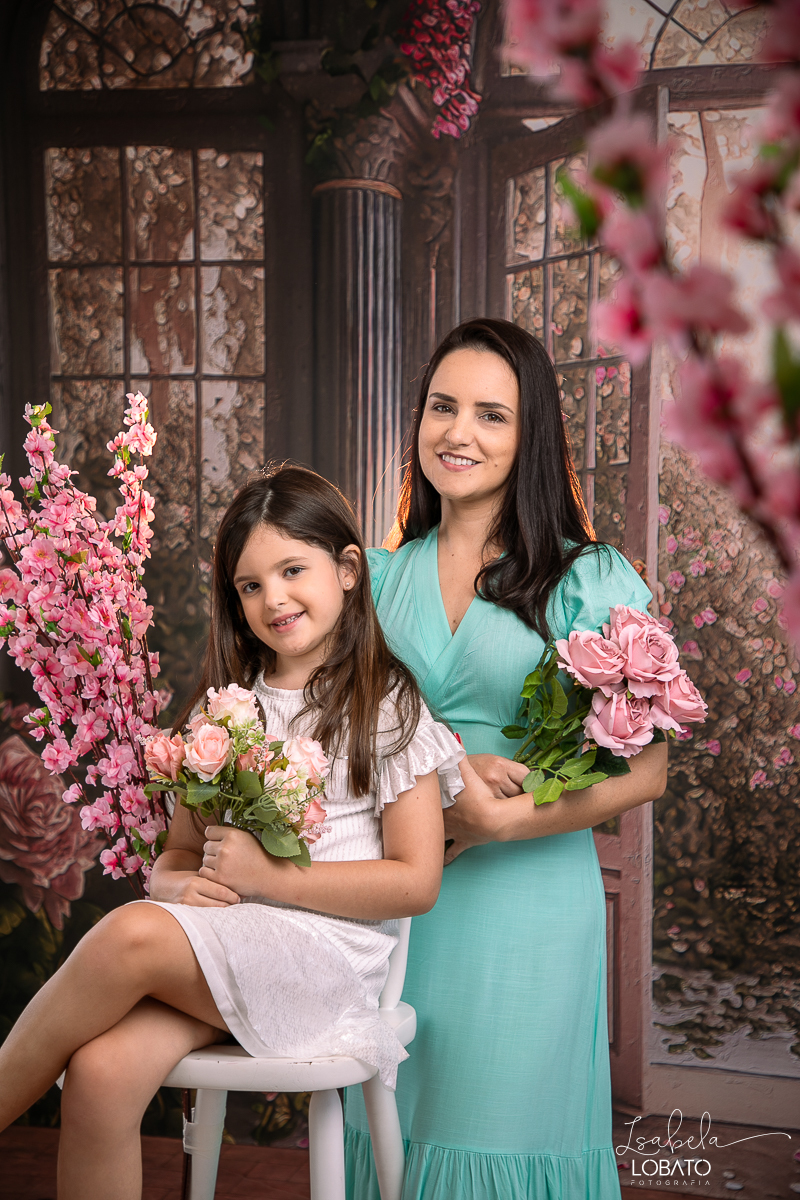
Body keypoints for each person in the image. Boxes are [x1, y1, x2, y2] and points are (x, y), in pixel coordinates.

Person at [0, 465, 466, 1200]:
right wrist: (181, 882)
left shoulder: (387, 705)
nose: (273, 598)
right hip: (226, 961)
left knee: (130, 936)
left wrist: (269, 879)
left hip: (326, 971)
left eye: (291, 570)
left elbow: (417, 881)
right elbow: (175, 861)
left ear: (348, 570)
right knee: (98, 1074)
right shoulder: (227, 713)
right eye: (250, 585)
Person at [344, 318, 669, 1199]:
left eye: (493, 414)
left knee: (497, 1144)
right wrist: (440, 784)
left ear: (532, 437)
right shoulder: (374, 581)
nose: (460, 432)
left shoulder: (588, 579)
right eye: (443, 407)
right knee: (392, 1138)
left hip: (527, 908)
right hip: (395, 904)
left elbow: (646, 773)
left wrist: (498, 819)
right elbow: (328, 738)